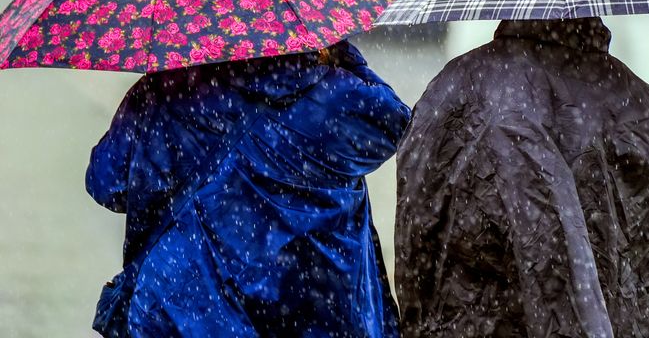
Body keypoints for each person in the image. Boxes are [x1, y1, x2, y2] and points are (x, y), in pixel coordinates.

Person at [395, 17, 649, 337]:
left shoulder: (454, 83)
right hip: (611, 316)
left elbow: (417, 219)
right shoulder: (634, 96)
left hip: (472, 320)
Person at [87, 42, 410, 337]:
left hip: (184, 307)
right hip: (313, 304)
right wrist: (345, 54)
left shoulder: (167, 88)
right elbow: (397, 123)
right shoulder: (337, 96)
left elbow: (106, 184)